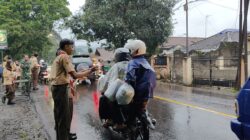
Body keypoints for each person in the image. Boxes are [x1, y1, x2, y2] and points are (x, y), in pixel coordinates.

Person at [50, 39, 97, 140]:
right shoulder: (64, 56)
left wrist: (86, 71)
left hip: (59, 88)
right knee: (63, 117)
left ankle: (65, 135)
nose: (73, 49)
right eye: (71, 47)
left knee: (63, 115)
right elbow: (75, 75)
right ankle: (63, 137)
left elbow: (71, 72)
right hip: (61, 88)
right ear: (66, 46)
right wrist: (90, 70)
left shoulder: (59, 56)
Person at [124, 39, 156, 125]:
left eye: (132, 50)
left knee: (124, 105)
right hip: (147, 95)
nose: (131, 52)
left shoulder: (132, 63)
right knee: (142, 107)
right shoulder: (146, 63)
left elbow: (128, 79)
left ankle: (127, 124)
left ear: (137, 50)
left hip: (137, 95)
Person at [99, 48, 131, 129]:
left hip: (121, 92)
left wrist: (103, 90)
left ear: (118, 56)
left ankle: (112, 121)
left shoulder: (116, 66)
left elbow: (110, 82)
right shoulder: (133, 64)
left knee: (104, 99)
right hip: (134, 91)